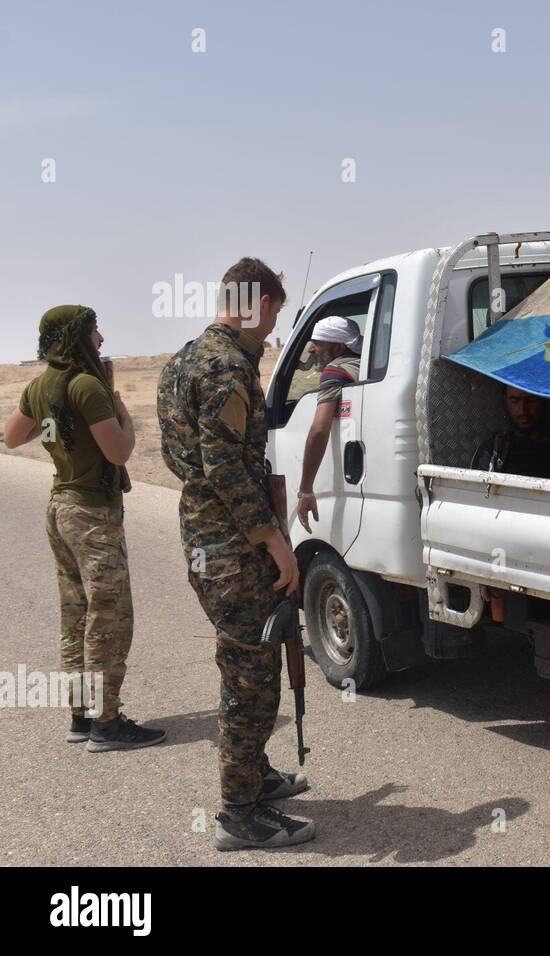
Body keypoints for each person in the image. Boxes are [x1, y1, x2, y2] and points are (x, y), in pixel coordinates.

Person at [157, 257, 314, 851]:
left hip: (206, 535)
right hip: (233, 545)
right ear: (254, 304)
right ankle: (238, 813)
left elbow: (182, 458)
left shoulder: (184, 361)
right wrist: (276, 544)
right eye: (272, 313)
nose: (272, 330)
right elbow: (225, 467)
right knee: (252, 674)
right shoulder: (226, 368)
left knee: (245, 660)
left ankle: (255, 775)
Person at [3, 306, 165, 750]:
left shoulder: (41, 385)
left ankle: (80, 715)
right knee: (109, 620)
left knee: (76, 615)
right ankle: (107, 723)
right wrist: (123, 415)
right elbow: (119, 452)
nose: (101, 339)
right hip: (92, 514)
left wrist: (58, 426)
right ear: (76, 336)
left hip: (60, 508)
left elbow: (12, 436)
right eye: (94, 331)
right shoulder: (87, 385)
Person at [295, 316, 362, 531]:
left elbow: (319, 430)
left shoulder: (335, 371)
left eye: (318, 343)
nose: (312, 349)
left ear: (339, 346)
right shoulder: (362, 363)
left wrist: (305, 489)